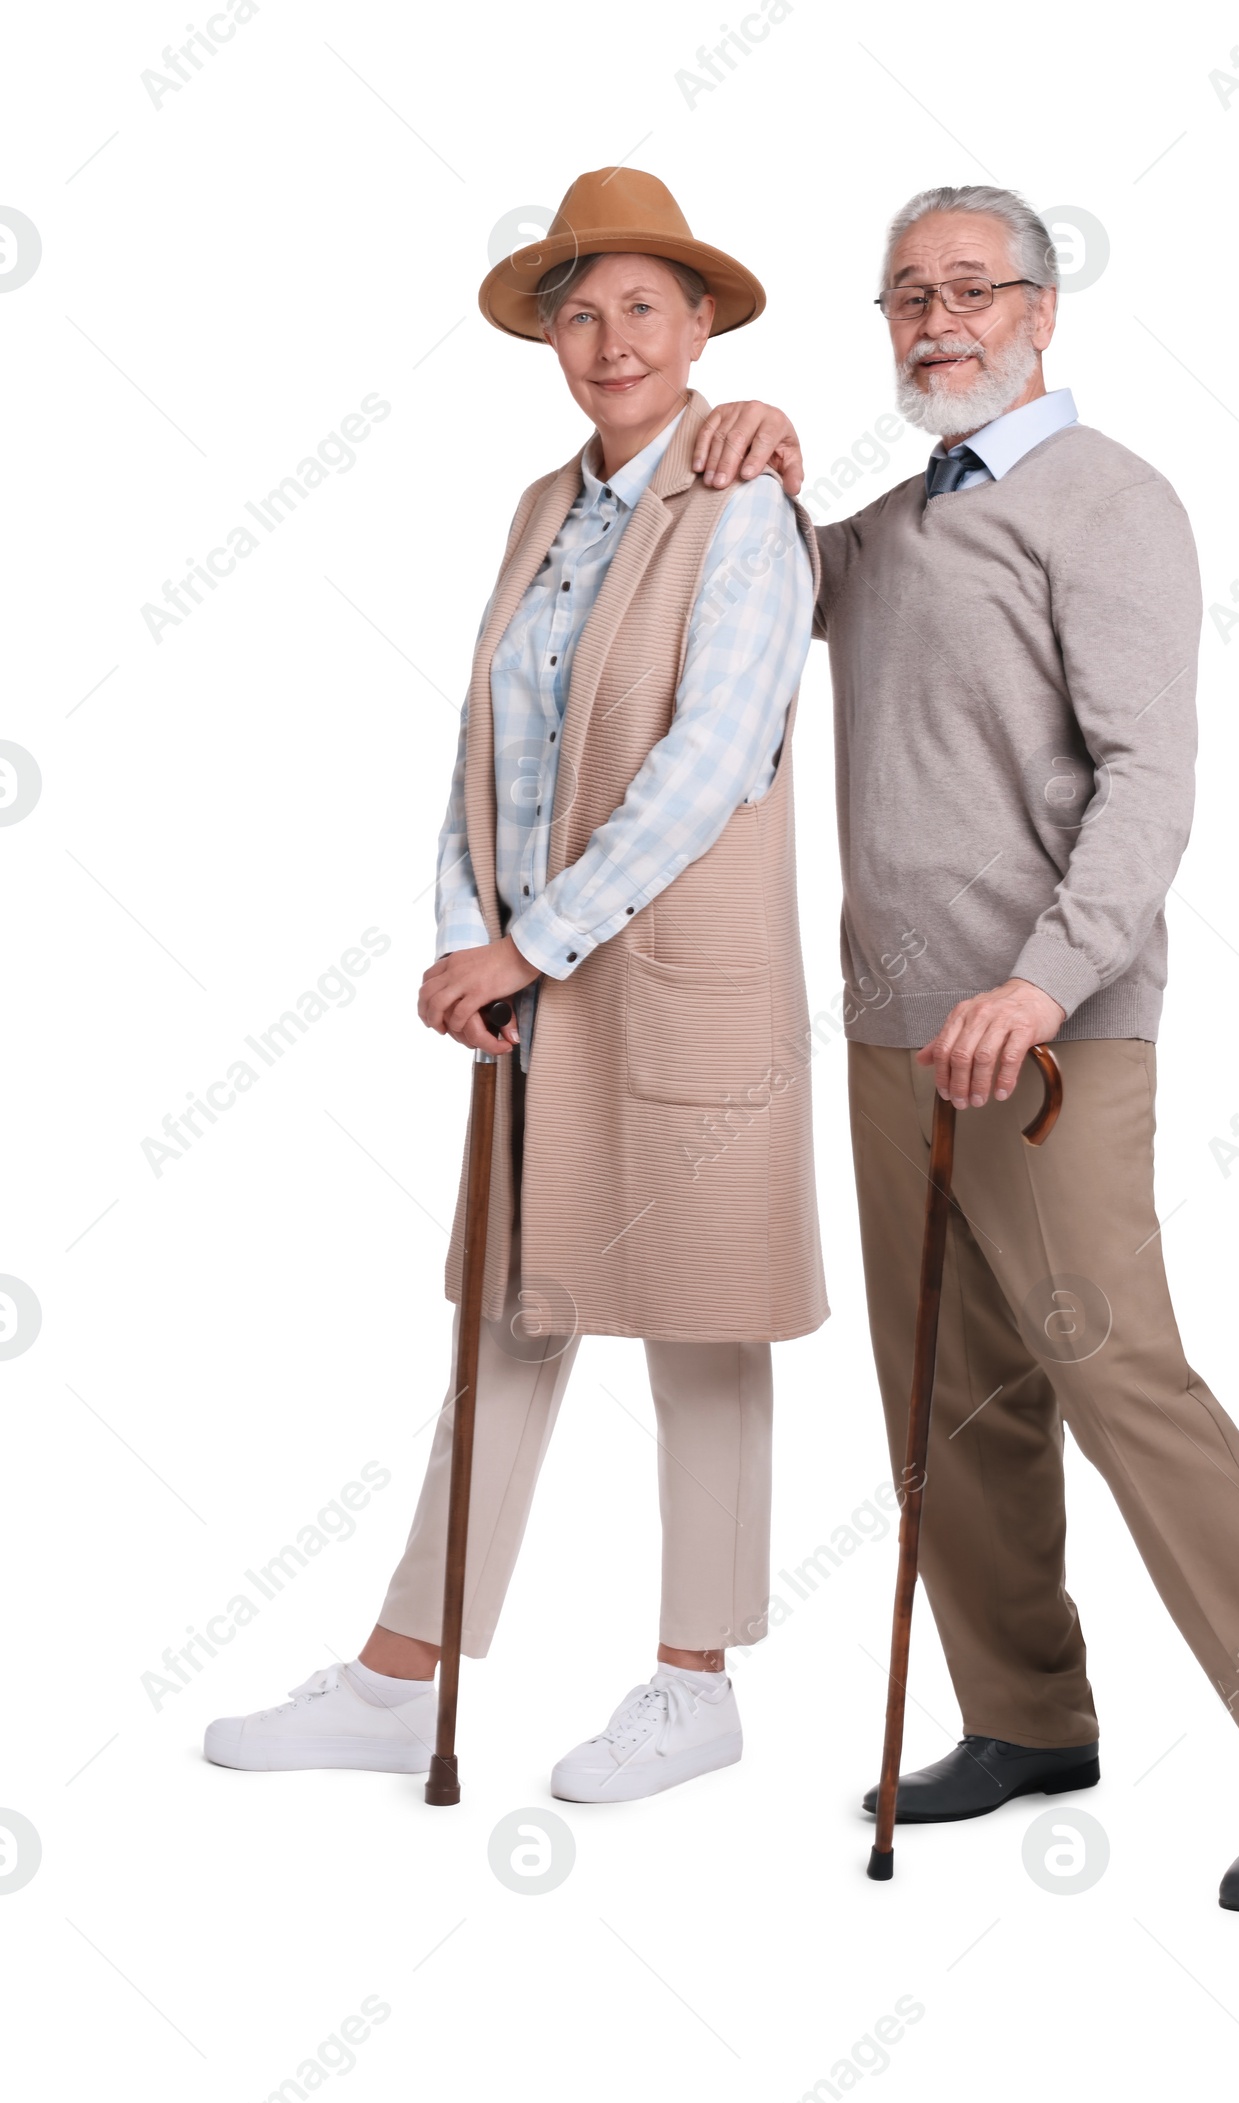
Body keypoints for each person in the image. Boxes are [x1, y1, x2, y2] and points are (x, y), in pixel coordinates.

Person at [696, 184, 1239, 1909]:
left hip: (1055, 1034)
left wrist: (1044, 979)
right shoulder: (900, 521)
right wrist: (762, 442)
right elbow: (778, 579)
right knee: (952, 1388)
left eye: (973, 289)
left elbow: (1153, 780)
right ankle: (1024, 1714)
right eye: (907, 296)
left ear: (1042, 312)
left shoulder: (1109, 501)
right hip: (889, 1033)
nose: (938, 318)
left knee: (1120, 1381)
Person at [204, 168, 827, 1802]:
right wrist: (457, 929)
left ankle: (698, 1686)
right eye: (579, 311)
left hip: (676, 972)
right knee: (510, 1315)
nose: (610, 338)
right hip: (538, 973)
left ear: (704, 328)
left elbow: (715, 761)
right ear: (550, 340)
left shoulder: (745, 500)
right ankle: (403, 1675)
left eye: (645, 306)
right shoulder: (540, 507)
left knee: (702, 1321)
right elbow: (490, 743)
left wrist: (530, 940)